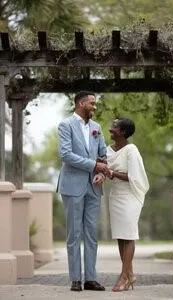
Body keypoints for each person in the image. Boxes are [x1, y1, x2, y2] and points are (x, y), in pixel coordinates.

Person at [57, 91, 109, 292]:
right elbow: (66, 155)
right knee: (74, 233)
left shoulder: (97, 127)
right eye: (92, 103)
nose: (94, 107)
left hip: (94, 186)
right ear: (81, 103)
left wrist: (102, 174)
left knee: (91, 234)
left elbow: (103, 156)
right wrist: (94, 165)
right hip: (72, 185)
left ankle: (91, 278)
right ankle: (76, 279)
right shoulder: (65, 125)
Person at [94, 118, 149, 292]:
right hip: (116, 195)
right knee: (120, 235)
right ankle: (130, 274)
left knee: (129, 234)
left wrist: (111, 173)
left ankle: (124, 276)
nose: (111, 128)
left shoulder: (131, 150)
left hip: (130, 195)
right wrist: (102, 174)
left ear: (123, 132)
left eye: (115, 126)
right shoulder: (108, 150)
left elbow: (134, 177)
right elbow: (105, 170)